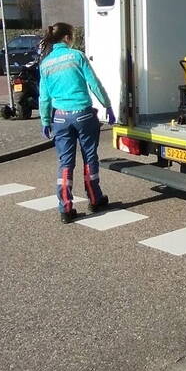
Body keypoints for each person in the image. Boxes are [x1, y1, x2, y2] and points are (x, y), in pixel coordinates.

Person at [38, 22, 116, 223]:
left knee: (65, 163)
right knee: (89, 157)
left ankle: (65, 208)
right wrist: (107, 105)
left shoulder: (45, 64)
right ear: (66, 37)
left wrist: (45, 120)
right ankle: (95, 199)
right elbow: (94, 83)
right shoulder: (77, 56)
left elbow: (44, 98)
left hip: (60, 118)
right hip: (83, 115)